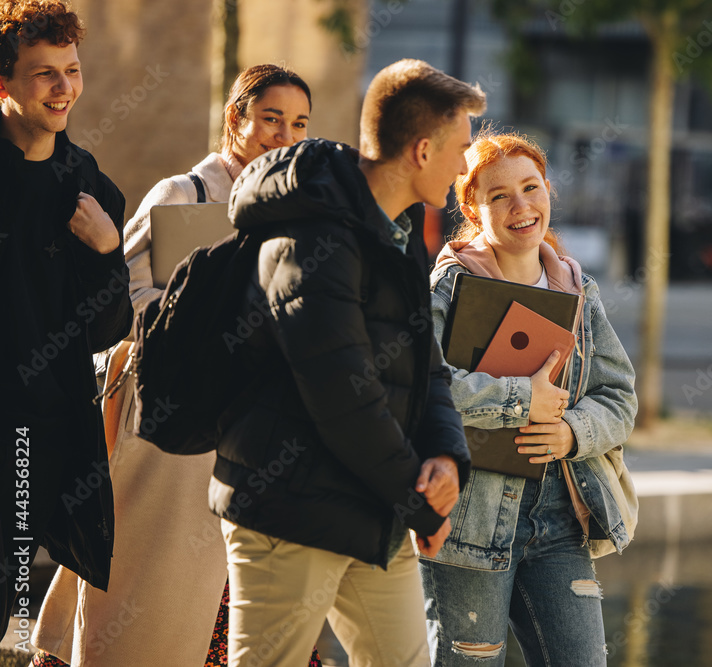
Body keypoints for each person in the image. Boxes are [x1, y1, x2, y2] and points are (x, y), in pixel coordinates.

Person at [29, 64, 319, 666]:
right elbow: (120, 305)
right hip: (169, 443)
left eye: (298, 124)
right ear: (236, 118)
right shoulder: (183, 195)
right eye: (270, 119)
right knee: (150, 605)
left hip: (254, 445)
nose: (283, 136)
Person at [207, 58, 484, 666]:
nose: (465, 165)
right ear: (420, 149)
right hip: (291, 508)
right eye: (460, 148)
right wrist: (416, 502)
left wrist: (446, 454)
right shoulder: (311, 238)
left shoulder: (403, 229)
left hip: (373, 504)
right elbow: (343, 393)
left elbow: (424, 361)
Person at [421, 132, 638, 666]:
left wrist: (570, 432)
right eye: (499, 196)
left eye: (531, 187)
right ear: (471, 206)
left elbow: (619, 397)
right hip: (470, 525)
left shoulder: (576, 288)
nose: (521, 206)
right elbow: (419, 385)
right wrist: (521, 401)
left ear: (548, 191)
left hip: (561, 524)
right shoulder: (447, 288)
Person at [0, 0, 131, 639]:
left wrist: (108, 252)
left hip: (37, 431)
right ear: (4, 83)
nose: (63, 88)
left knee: (10, 599)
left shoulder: (91, 191)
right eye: (43, 73)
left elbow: (108, 329)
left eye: (72, 70)